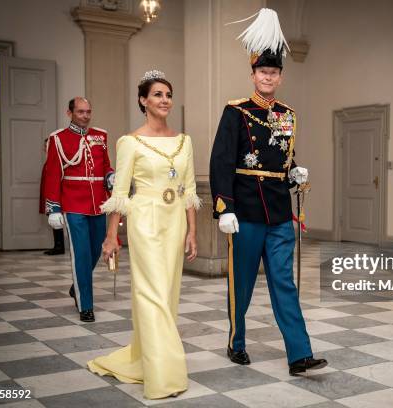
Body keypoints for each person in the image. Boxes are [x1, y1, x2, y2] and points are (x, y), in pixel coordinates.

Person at [210, 8, 327, 376]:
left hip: (277, 212)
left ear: (280, 76)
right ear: (253, 75)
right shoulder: (236, 112)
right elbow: (221, 161)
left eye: (274, 72)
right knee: (241, 284)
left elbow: (283, 160)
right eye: (263, 72)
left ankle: (299, 354)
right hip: (244, 212)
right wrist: (224, 207)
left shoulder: (287, 115)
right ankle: (236, 342)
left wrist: (295, 174)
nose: (268, 77)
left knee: (283, 283)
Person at [87, 70, 200, 400]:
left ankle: (144, 358)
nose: (164, 100)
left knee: (167, 295)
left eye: (168, 95)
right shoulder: (129, 142)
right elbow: (120, 193)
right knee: (150, 294)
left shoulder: (184, 141)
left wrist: (193, 230)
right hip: (145, 220)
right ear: (143, 100)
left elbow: (189, 189)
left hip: (175, 221)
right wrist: (112, 236)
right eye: (157, 95)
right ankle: (164, 374)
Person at [43, 97, 114, 322]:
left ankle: (78, 284)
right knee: (81, 254)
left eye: (88, 111)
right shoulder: (58, 139)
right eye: (81, 111)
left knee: (96, 250)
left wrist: (112, 177)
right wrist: (53, 207)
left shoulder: (100, 136)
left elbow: (105, 166)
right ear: (70, 113)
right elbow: (53, 174)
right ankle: (86, 305)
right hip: (73, 204)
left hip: (98, 203)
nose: (85, 115)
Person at [39, 138, 65, 256]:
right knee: (53, 220)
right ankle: (57, 245)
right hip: (49, 194)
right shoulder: (48, 160)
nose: (45, 148)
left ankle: (60, 247)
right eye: (45, 146)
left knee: (57, 220)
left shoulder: (56, 161)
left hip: (56, 197)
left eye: (47, 146)